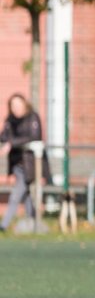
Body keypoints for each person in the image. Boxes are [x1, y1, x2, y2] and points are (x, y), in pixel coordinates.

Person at [0, 94, 48, 233]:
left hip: (31, 164)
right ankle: (33, 222)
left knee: (16, 194)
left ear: (24, 104)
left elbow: (34, 136)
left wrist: (12, 143)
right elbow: (3, 136)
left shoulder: (32, 117)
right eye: (13, 105)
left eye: (18, 104)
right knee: (26, 195)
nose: (16, 108)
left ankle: (4, 225)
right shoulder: (10, 120)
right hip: (17, 164)